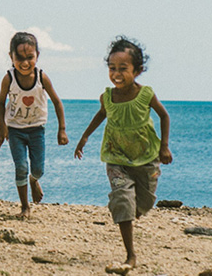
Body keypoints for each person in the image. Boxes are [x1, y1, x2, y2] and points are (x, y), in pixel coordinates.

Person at [74, 36, 172, 275]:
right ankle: (130, 255)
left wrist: (164, 146)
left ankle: (130, 210)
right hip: (116, 157)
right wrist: (85, 137)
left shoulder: (146, 94)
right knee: (122, 199)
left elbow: (164, 116)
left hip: (147, 157)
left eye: (122, 69)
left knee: (145, 202)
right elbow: (101, 115)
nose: (116, 74)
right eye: (112, 68)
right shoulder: (107, 96)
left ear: (137, 71)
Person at [0, 32, 69, 218]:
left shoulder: (41, 77)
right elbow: (0, 103)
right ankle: (24, 206)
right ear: (11, 57)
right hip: (15, 130)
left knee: (38, 169)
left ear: (37, 56)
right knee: (20, 166)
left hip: (37, 129)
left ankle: (33, 180)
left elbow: (57, 102)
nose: (25, 62)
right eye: (19, 58)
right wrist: (2, 127)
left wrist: (62, 129)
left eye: (30, 57)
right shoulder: (9, 79)